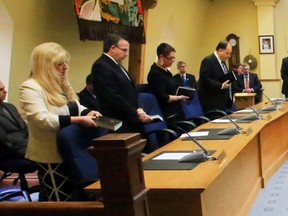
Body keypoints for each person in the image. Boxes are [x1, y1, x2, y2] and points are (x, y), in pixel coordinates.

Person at [19, 42, 107, 201]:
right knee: (60, 200)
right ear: (45, 66)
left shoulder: (59, 85)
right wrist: (78, 119)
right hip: (52, 155)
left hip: (73, 150)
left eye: (65, 63)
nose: (65, 67)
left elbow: (75, 106)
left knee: (78, 196)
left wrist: (88, 112)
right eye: (59, 64)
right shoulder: (31, 87)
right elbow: (42, 120)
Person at [91, 33, 151, 134]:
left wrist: (140, 108)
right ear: (113, 48)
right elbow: (112, 97)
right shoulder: (101, 66)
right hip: (119, 122)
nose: (127, 54)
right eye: (124, 50)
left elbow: (133, 90)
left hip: (132, 119)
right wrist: (135, 112)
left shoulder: (117, 65)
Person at [147, 43, 188, 123]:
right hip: (168, 114)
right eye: (170, 58)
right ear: (161, 57)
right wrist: (179, 97)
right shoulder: (155, 73)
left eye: (174, 58)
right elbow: (163, 97)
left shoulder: (166, 71)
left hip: (176, 111)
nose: (172, 61)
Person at [198, 40, 233, 113]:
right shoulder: (208, 60)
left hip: (222, 101)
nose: (229, 56)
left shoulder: (222, 62)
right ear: (220, 50)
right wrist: (221, 85)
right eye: (227, 53)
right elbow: (205, 79)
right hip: (212, 102)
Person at [0, 80, 29, 162]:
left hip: (25, 144)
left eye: (4, 88)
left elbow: (24, 127)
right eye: (1, 90)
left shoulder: (10, 107)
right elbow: (4, 141)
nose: (5, 91)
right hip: (8, 151)